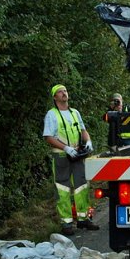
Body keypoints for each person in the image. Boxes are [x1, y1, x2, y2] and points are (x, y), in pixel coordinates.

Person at [43, 84, 99, 235]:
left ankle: (83, 219)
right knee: (63, 189)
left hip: (78, 153)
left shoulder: (75, 112)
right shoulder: (51, 114)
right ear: (55, 97)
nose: (64, 93)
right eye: (60, 92)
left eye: (65, 91)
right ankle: (66, 224)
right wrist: (66, 148)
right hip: (62, 156)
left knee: (82, 186)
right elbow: (48, 137)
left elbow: (83, 130)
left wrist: (88, 141)